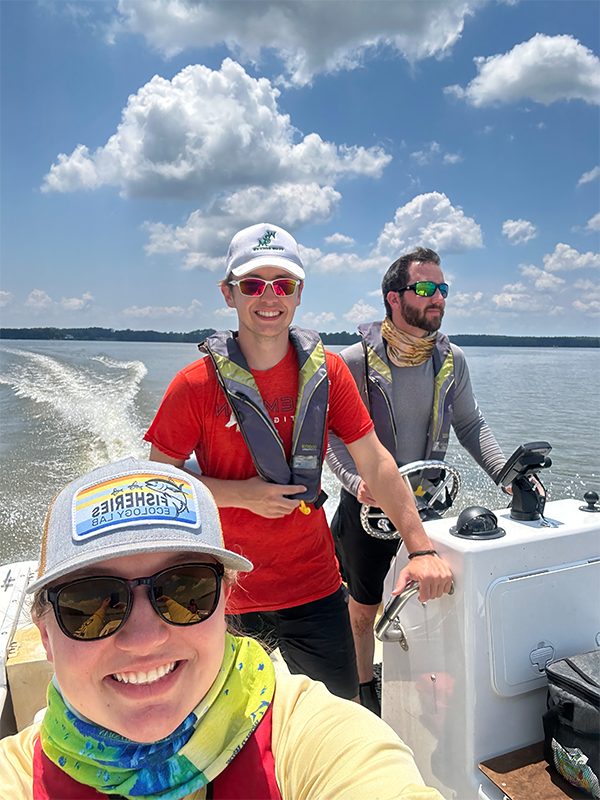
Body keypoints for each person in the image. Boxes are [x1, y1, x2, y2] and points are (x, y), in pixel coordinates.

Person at [0, 457, 445, 800]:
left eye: (184, 588)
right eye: (91, 603)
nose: (144, 639)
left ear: (224, 604)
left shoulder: (309, 738)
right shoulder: (14, 777)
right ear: (45, 636)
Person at [144, 223, 453, 703]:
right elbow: (158, 478)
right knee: (226, 735)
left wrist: (421, 549)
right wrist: (241, 494)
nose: (269, 297)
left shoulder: (328, 374)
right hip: (222, 593)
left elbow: (375, 462)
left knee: (340, 717)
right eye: (252, 284)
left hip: (313, 587)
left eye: (283, 284)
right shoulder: (195, 386)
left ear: (299, 293)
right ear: (229, 294)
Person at [327, 246, 506, 714]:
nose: (437, 299)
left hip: (425, 510)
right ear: (393, 298)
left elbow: (470, 425)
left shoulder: (452, 360)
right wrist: (354, 482)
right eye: (425, 289)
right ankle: (365, 693)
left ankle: (428, 692)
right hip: (364, 511)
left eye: (441, 290)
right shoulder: (353, 361)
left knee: (431, 598)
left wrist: (507, 475)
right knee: (363, 611)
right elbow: (333, 439)